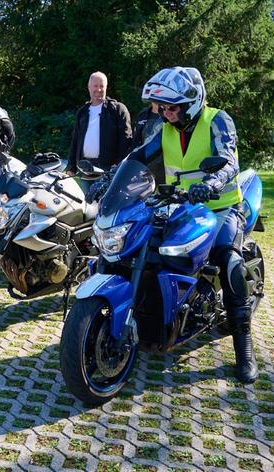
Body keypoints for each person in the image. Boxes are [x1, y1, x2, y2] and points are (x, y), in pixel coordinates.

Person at [124, 67, 257, 383]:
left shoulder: (217, 120)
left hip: (222, 206)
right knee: (147, 245)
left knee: (228, 260)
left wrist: (212, 182)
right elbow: (140, 156)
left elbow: (229, 159)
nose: (165, 113)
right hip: (181, 206)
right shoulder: (167, 129)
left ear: (191, 102)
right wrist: (110, 177)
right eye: (162, 108)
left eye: (171, 107)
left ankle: (244, 351)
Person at [66, 71, 132, 183]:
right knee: (84, 200)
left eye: (102, 86)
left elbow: (126, 141)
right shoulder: (82, 112)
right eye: (95, 86)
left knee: (104, 200)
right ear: (89, 87)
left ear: (106, 87)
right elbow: (75, 140)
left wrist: (118, 165)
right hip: (83, 168)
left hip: (107, 170)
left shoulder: (117, 110)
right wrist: (70, 167)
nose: (99, 89)